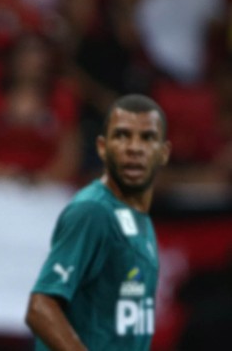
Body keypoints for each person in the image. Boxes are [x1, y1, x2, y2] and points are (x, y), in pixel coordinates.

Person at [25, 94, 171, 351]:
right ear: (102, 147)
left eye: (147, 138)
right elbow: (40, 307)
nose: (134, 148)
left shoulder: (138, 218)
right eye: (123, 135)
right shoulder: (93, 212)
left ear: (164, 152)